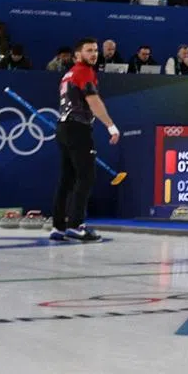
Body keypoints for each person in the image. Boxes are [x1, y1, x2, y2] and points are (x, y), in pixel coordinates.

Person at [52, 38, 119, 241]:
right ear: (78, 55)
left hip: (63, 128)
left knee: (67, 179)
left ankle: (58, 227)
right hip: (77, 128)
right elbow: (94, 101)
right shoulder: (83, 71)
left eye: (95, 51)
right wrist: (110, 126)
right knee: (86, 177)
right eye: (89, 51)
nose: (94, 54)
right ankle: (75, 225)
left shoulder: (68, 75)